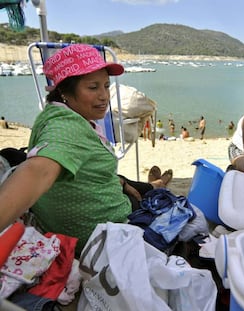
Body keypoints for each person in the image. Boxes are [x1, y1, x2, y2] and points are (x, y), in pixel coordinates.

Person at [0, 44, 174, 257]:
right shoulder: (67, 127)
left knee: (126, 182)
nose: (104, 96)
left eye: (106, 86)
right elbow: (38, 171)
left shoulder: (54, 114)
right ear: (64, 90)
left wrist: (119, 182)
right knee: (155, 197)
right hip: (103, 233)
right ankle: (157, 185)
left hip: (92, 197)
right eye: (93, 88)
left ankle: (154, 184)